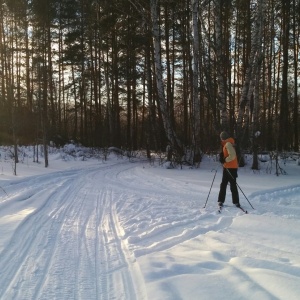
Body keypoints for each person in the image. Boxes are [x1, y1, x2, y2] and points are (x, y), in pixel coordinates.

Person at [218, 131, 240, 207]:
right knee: (225, 184)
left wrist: (225, 160)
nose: (221, 139)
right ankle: (222, 200)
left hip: (230, 168)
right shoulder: (228, 143)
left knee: (230, 184)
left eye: (221, 138)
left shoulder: (228, 144)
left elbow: (233, 155)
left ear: (223, 138)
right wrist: (222, 156)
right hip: (228, 167)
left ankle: (234, 202)